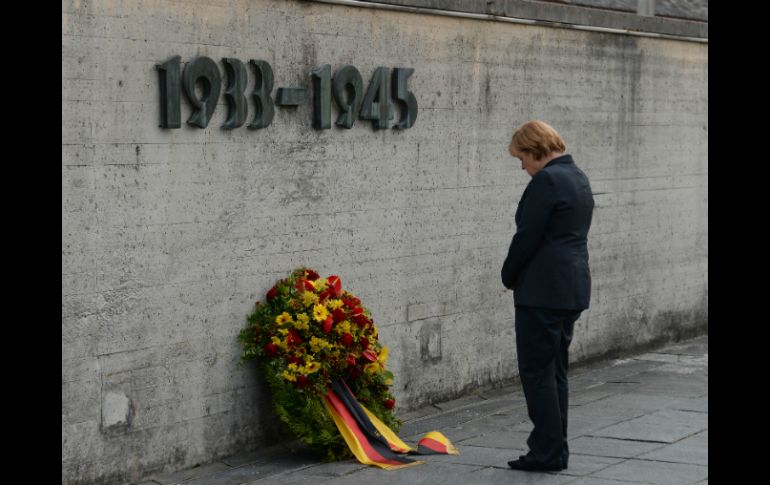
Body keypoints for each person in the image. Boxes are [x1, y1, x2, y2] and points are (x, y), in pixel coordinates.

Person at [501, 120, 594, 472]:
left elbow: (527, 236)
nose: (522, 166)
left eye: (521, 157)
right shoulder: (577, 177)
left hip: (542, 291)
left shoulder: (548, 180)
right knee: (554, 372)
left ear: (535, 149)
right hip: (569, 288)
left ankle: (546, 452)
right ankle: (554, 449)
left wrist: (508, 275)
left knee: (537, 372)